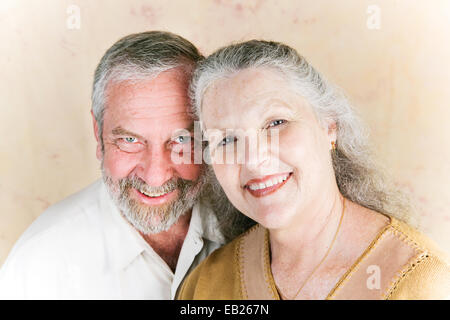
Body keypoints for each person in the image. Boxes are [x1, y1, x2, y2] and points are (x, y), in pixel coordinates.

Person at [177, 40, 450, 300]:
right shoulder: (205, 284)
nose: (253, 160)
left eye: (276, 123)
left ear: (329, 127)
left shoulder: (420, 281)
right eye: (226, 139)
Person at [0, 31, 244, 299]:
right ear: (98, 133)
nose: (155, 176)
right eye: (130, 140)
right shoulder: (39, 268)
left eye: (181, 139)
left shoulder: (253, 222)